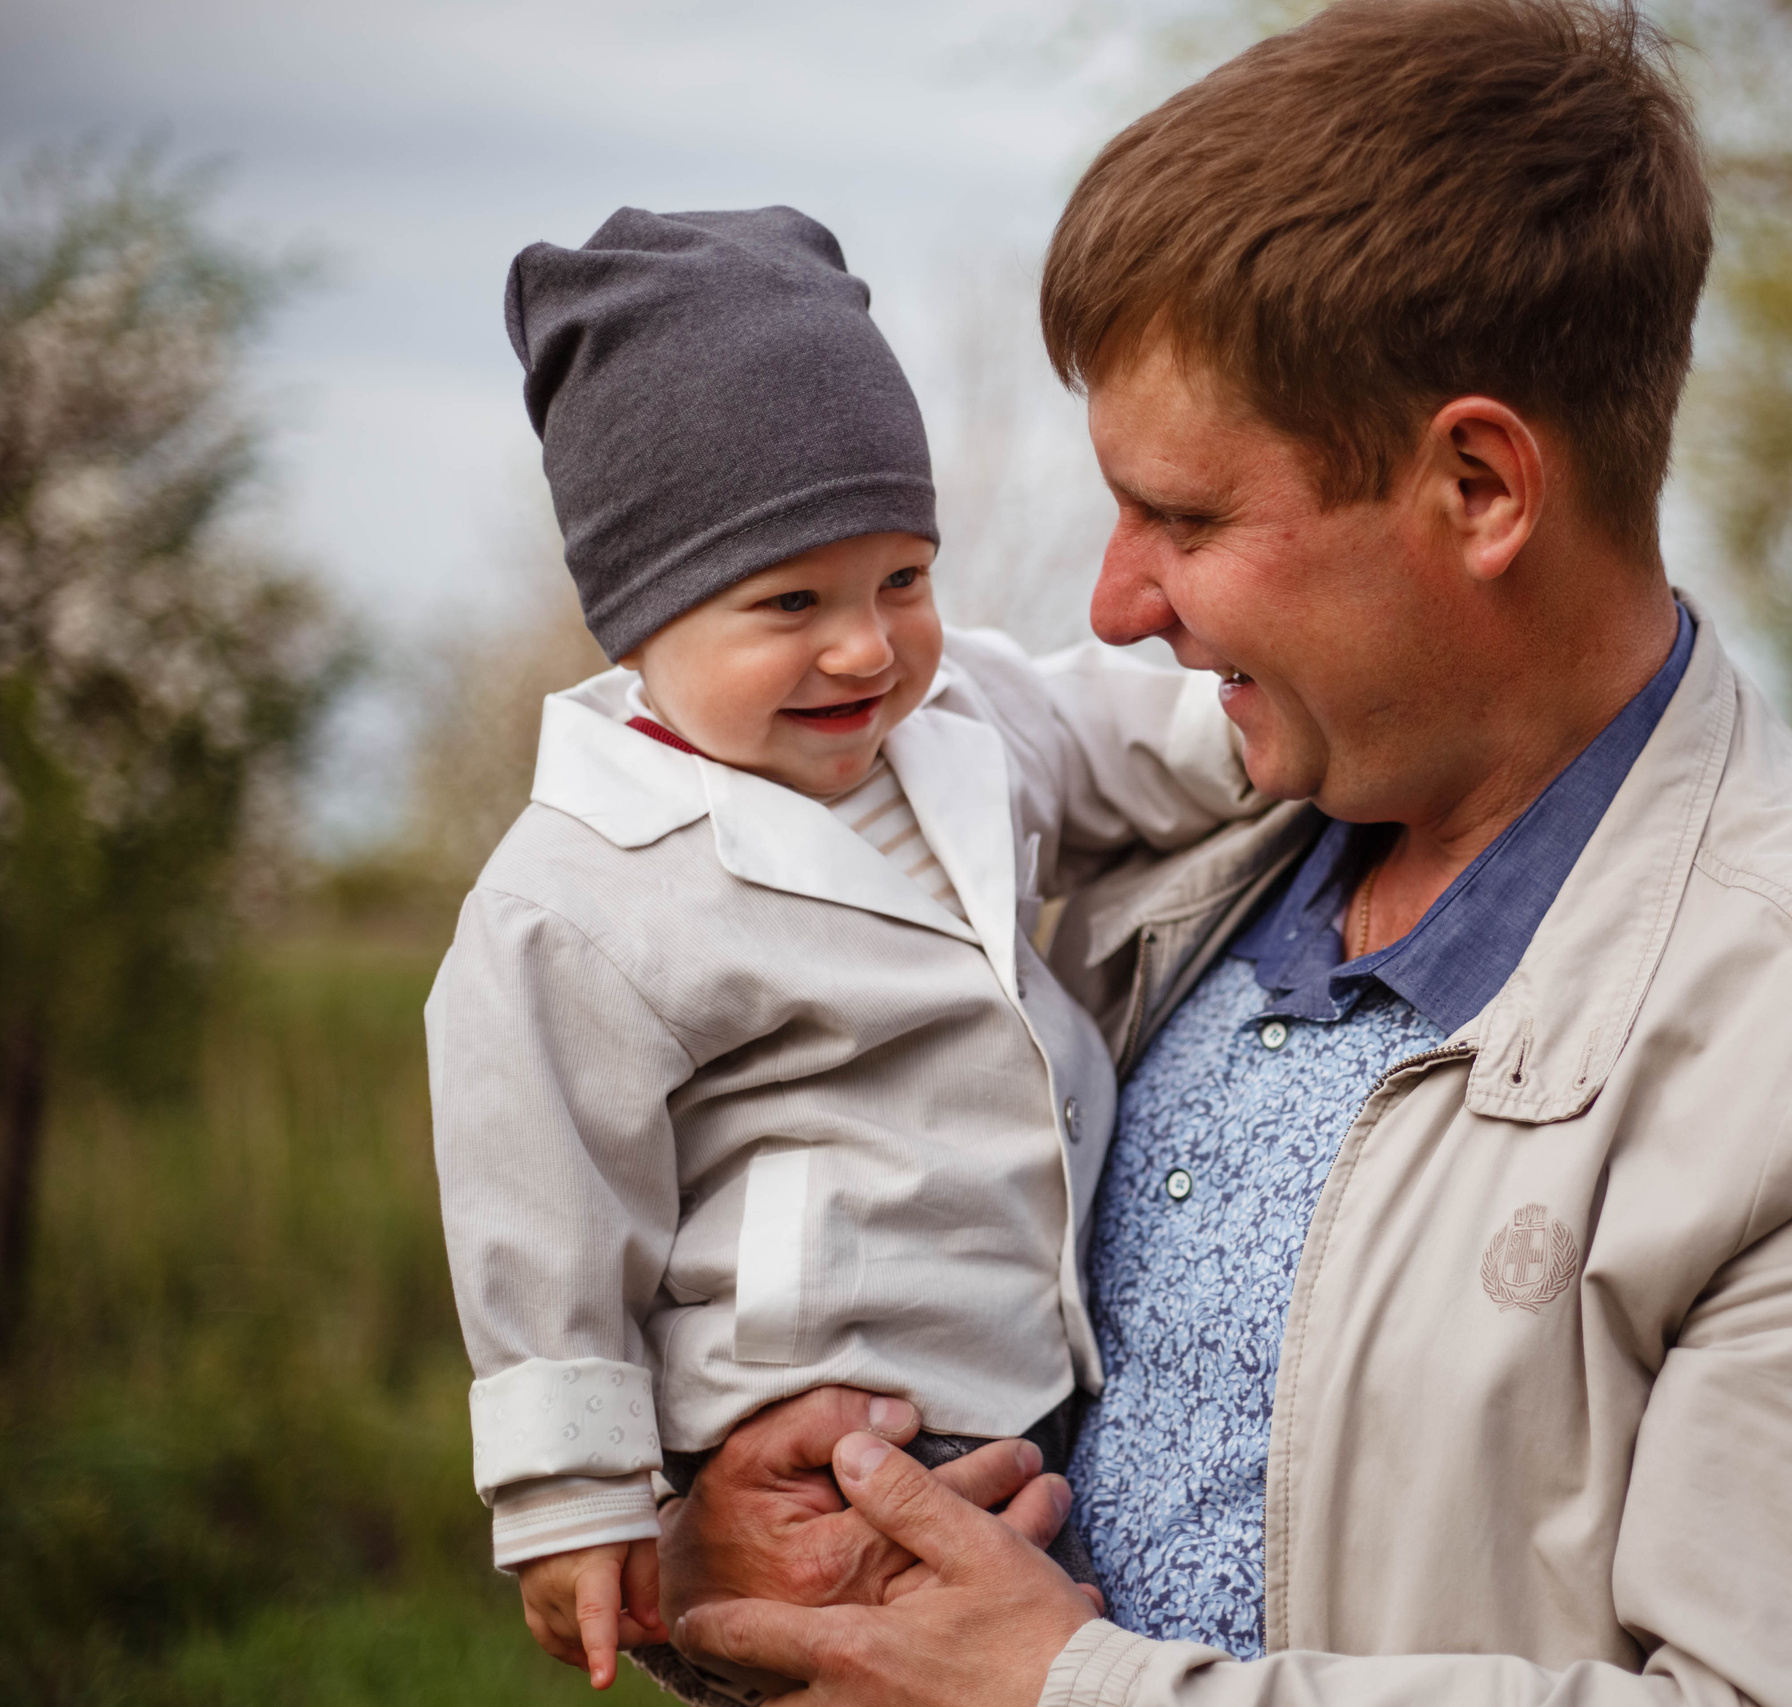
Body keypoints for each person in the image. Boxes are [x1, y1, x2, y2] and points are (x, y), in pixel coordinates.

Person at [652, 3, 1792, 1705]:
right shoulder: (1119, 880)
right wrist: (701, 1567)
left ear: (1478, 487)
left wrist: (1066, 1696)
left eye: (1192, 518)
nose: (1115, 603)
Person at [425, 205, 1260, 1700]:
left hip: (1044, 1387)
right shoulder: (579, 893)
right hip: (820, 1447)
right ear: (641, 618)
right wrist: (572, 1498)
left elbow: (1152, 741)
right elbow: (543, 1204)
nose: (866, 649)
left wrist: (1288, 715)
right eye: (790, 602)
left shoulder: (958, 730)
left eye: (903, 580)